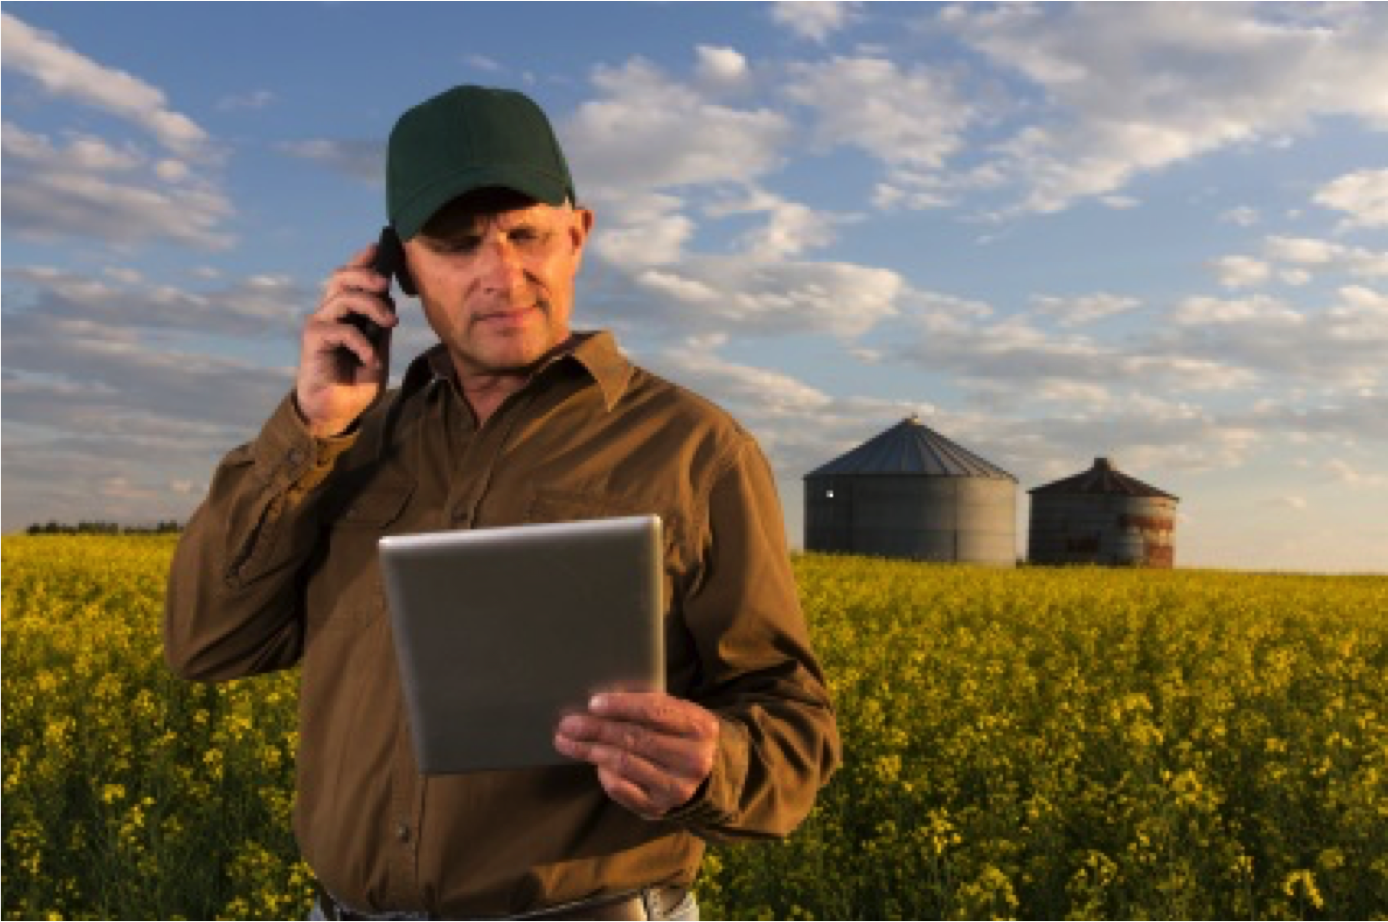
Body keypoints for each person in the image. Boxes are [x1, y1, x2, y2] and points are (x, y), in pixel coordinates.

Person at [164, 85, 840, 922]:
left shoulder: (697, 449)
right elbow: (205, 644)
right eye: (456, 244)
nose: (503, 274)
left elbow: (792, 718)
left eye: (527, 235)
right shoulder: (342, 444)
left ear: (578, 237)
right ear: (397, 269)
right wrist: (311, 428)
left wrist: (715, 763)